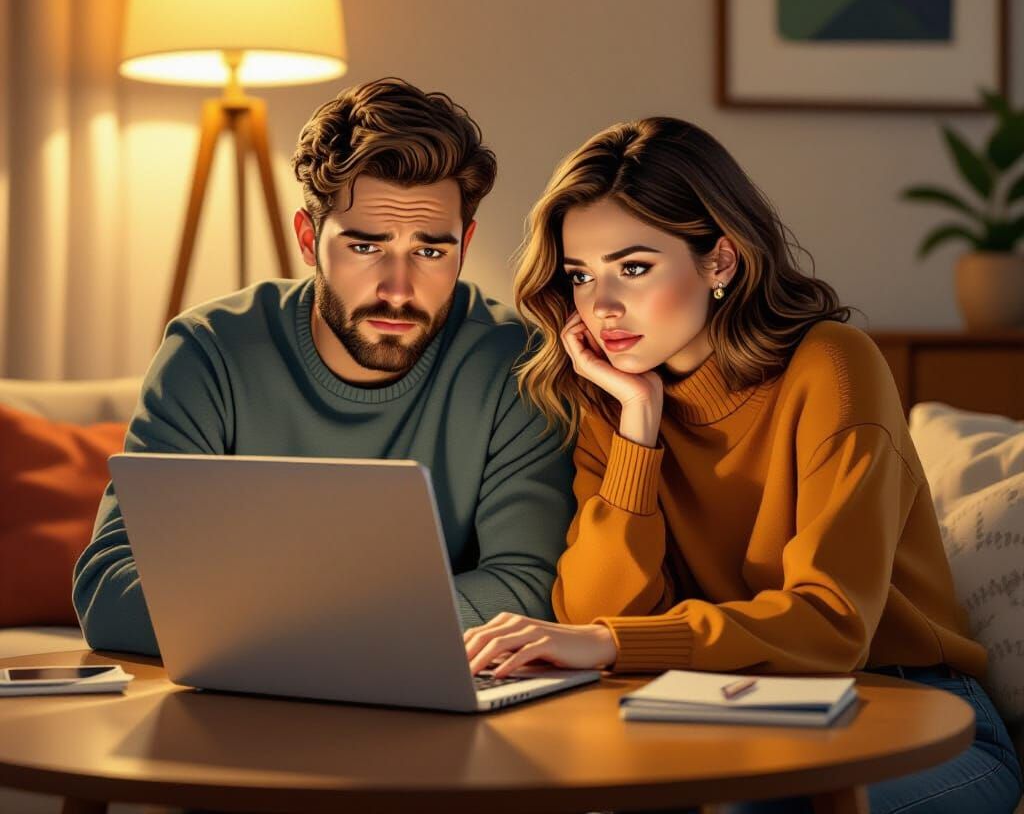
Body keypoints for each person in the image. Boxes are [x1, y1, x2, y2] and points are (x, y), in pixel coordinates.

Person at [464, 117, 1023, 813]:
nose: (602, 307)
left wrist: (607, 642)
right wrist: (639, 429)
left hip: (914, 712)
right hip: (729, 710)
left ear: (720, 262)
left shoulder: (833, 366)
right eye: (581, 275)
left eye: (634, 268)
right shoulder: (609, 401)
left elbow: (833, 623)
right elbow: (600, 612)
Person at [73, 77, 574, 657]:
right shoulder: (208, 351)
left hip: (424, 704)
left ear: (466, 241)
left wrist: (271, 626)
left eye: (431, 250)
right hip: (248, 699)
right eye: (366, 246)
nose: (398, 289)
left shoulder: (517, 364)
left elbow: (528, 588)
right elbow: (110, 585)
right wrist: (344, 633)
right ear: (309, 239)